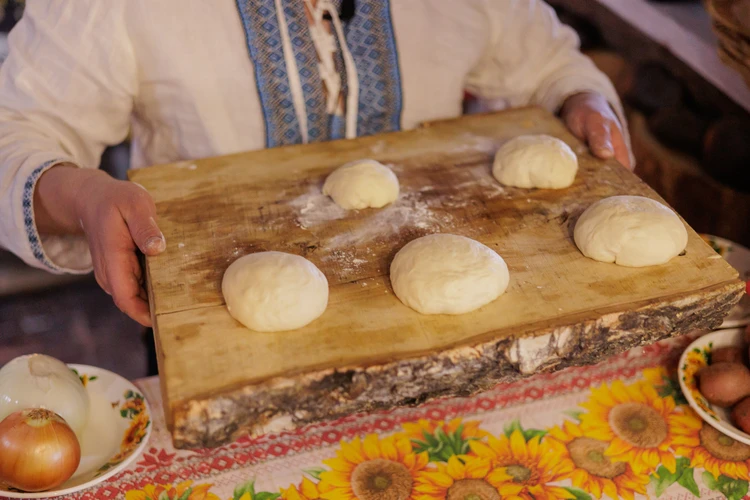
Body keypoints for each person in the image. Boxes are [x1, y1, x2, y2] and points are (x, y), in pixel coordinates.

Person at [0, 0, 632, 327]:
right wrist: (80, 196)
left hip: (453, 334)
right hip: (209, 322)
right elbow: (16, 131)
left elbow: (549, 64)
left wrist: (582, 100)